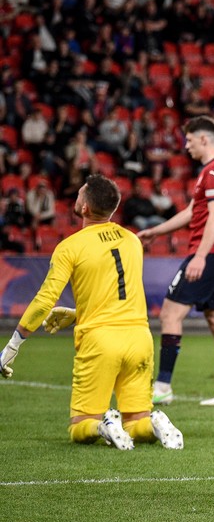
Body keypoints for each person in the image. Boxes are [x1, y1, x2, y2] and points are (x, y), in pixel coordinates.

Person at [0, 174, 183, 450]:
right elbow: (119, 292)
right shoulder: (132, 241)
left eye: (79, 195)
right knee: (136, 422)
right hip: (139, 340)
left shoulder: (70, 247)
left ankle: (103, 425)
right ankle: (156, 424)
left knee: (79, 427)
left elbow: (44, 299)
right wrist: (77, 313)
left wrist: (12, 346)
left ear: (85, 207)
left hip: (100, 342)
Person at [137, 117, 214, 407]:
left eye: (188, 140)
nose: (185, 146)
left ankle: (162, 386)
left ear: (203, 139)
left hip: (208, 254)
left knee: (170, 315)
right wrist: (156, 232)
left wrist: (199, 256)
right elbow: (191, 212)